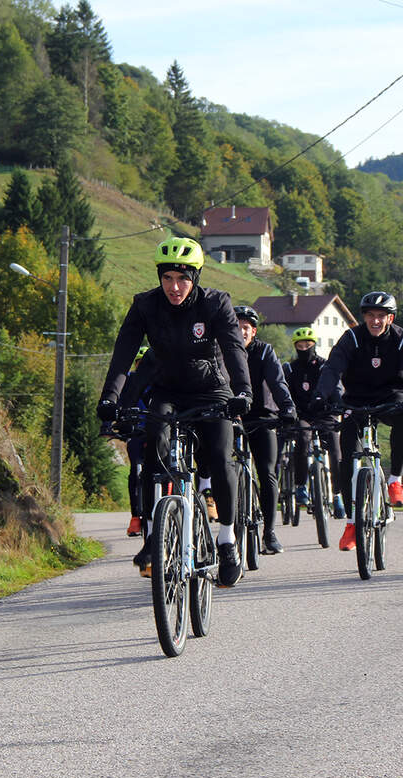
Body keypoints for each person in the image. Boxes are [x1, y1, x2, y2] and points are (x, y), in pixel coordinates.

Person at [97, 235, 252, 586]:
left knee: (219, 456)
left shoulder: (215, 303)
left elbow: (233, 348)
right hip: (167, 390)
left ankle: (227, 540)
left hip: (212, 390)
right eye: (167, 278)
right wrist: (110, 398)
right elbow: (124, 353)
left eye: (182, 278)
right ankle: (153, 537)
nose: (174, 286)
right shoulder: (145, 305)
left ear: (195, 277)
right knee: (155, 449)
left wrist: (242, 391)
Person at [310, 291, 403, 552]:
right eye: (370, 316)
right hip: (357, 398)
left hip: (390, 395)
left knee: (402, 418)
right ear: (364, 317)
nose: (375, 321)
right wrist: (320, 395)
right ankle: (352, 523)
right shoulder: (351, 338)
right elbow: (332, 368)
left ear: (390, 318)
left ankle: (395, 481)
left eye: (381, 316)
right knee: (348, 452)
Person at [233, 305, 298, 554]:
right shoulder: (224, 350)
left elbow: (277, 382)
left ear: (254, 331)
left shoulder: (264, 352)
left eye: (245, 328)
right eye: (236, 328)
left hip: (263, 417)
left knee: (267, 473)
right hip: (232, 417)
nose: (241, 333)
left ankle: (269, 532)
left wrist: (287, 408)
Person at [282, 326, 345, 522]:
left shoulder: (325, 366)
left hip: (325, 414)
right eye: (300, 345)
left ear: (314, 345)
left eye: (308, 345)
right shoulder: (290, 369)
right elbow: (284, 393)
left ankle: (337, 495)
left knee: (335, 450)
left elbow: (336, 388)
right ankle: (301, 486)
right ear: (295, 347)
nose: (304, 348)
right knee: (302, 437)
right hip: (302, 415)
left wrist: (339, 406)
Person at [118, 346, 155, 538]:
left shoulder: (159, 380)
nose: (143, 368)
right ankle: (135, 517)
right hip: (136, 431)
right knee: (136, 470)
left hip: (156, 430)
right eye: (139, 364)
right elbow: (120, 402)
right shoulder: (130, 381)